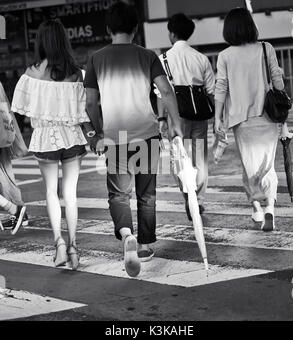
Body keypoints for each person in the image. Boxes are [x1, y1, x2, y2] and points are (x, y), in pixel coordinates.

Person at [84, 2, 182, 277]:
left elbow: (90, 102)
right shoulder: (147, 55)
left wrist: (99, 131)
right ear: (136, 28)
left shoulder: (96, 58)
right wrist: (175, 124)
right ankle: (147, 245)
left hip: (117, 137)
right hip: (147, 134)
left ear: (108, 29)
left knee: (118, 193)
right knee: (146, 194)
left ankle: (127, 234)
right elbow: (166, 91)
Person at [11, 19, 90, 270]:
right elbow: (85, 112)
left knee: (50, 193)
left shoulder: (30, 74)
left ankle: (59, 246)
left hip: (45, 138)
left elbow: (20, 114)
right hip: (72, 138)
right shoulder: (77, 73)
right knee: (71, 194)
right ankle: (75, 247)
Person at [214, 8, 286, 231]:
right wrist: (282, 100)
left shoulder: (225, 56)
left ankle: (256, 207)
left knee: (249, 165)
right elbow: (277, 80)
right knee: (268, 165)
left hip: (241, 120)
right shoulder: (266, 48)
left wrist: (218, 118)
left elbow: (221, 88)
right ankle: (270, 207)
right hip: (267, 116)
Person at [156, 13, 215, 221]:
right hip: (199, 114)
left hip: (176, 117)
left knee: (179, 158)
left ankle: (187, 194)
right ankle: (197, 199)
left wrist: (162, 120)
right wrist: (218, 118)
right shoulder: (201, 58)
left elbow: (161, 93)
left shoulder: (163, 59)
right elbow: (211, 91)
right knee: (200, 158)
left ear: (171, 34)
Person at [0, 81, 28, 234]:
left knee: (4, 173)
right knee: (5, 173)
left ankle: (14, 208)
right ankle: (18, 210)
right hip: (3, 130)